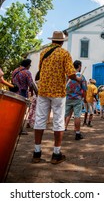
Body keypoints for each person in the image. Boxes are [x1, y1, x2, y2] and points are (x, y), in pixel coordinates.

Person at [33, 31, 82, 164]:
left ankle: (37, 152)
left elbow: (40, 70)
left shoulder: (43, 53)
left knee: (40, 119)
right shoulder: (64, 53)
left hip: (43, 90)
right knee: (58, 121)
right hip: (58, 92)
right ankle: (56, 154)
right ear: (62, 42)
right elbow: (71, 73)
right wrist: (78, 79)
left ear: (52, 41)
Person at [65, 60, 87, 140]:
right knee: (77, 116)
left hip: (67, 98)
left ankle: (60, 130)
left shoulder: (69, 76)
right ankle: (77, 133)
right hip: (77, 98)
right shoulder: (81, 77)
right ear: (79, 66)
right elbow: (84, 89)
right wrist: (84, 99)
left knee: (65, 114)